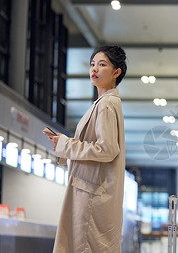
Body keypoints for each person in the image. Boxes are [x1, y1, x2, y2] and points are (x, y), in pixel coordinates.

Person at [43, 45, 127, 252]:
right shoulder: (102, 103)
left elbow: (107, 149)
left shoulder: (106, 104)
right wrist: (63, 144)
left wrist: (66, 144)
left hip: (92, 195)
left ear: (116, 72)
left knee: (85, 246)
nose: (95, 69)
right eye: (92, 64)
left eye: (102, 64)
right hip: (90, 190)